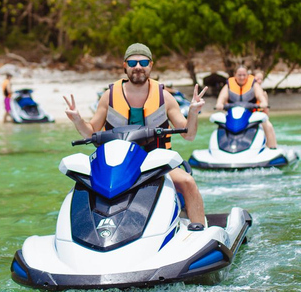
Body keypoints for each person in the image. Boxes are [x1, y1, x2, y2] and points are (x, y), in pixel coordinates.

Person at [63, 43, 209, 225]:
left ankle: (200, 231)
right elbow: (91, 132)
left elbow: (189, 135)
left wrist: (193, 112)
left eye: (143, 62)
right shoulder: (109, 96)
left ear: (151, 65)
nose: (138, 67)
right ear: (125, 66)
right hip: (116, 164)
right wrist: (77, 119)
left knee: (187, 182)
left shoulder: (165, 97)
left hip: (157, 163)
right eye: (132, 62)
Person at [215, 65, 277, 149]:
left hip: (252, 114)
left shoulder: (254, 85)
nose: (242, 77)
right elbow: (221, 98)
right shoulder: (228, 85)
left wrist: (263, 103)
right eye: (239, 75)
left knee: (268, 125)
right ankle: (221, 147)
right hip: (233, 114)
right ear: (235, 75)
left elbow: (261, 98)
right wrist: (219, 104)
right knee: (221, 124)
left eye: (244, 75)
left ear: (247, 75)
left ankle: (272, 147)